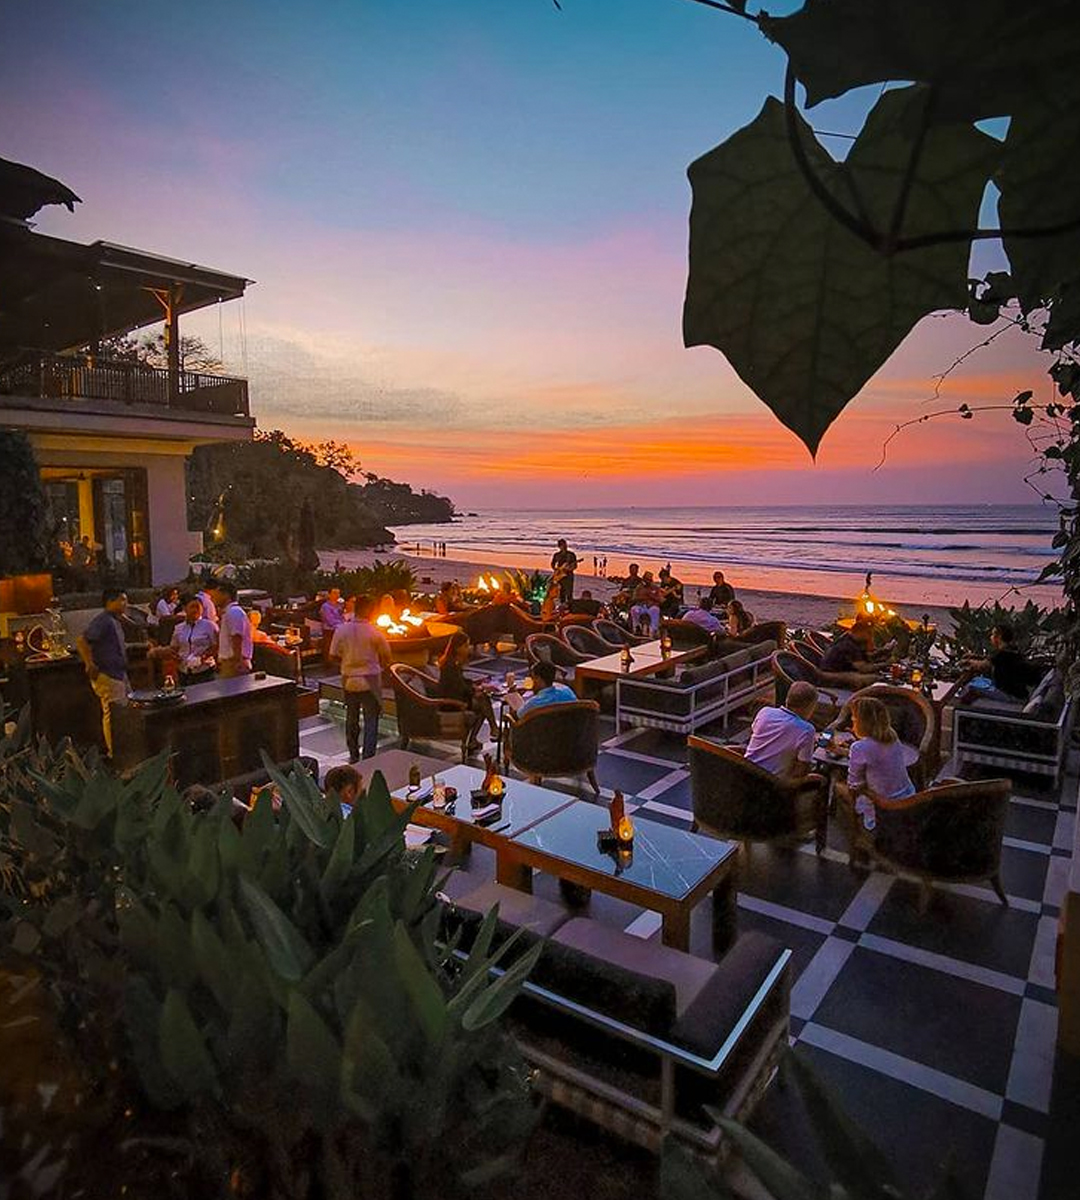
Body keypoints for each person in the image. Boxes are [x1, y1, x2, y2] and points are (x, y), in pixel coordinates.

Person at [838, 695, 915, 832]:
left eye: (854, 719)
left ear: (862, 722)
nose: (852, 722)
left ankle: (854, 835)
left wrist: (857, 746)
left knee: (837, 784)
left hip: (882, 807)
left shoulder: (860, 748)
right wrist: (839, 749)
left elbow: (853, 786)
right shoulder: (892, 737)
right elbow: (874, 754)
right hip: (906, 801)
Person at [330, 595, 391, 762]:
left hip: (349, 679)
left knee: (352, 718)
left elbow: (333, 654)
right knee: (371, 720)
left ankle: (353, 754)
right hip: (370, 679)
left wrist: (346, 663)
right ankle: (369, 756)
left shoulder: (342, 629)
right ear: (370, 611)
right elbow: (387, 655)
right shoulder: (375, 631)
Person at [76, 588, 129, 756]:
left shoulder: (115, 620)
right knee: (113, 714)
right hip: (108, 674)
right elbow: (82, 640)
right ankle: (115, 752)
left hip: (118, 673)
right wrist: (89, 663)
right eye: (122, 600)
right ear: (110, 601)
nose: (125, 604)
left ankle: (121, 748)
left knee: (122, 713)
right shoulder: (103, 620)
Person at [434, 637, 498, 754]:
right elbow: (458, 687)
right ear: (457, 648)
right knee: (483, 701)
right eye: (465, 646)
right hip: (451, 702)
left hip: (457, 696)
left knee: (483, 701)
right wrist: (475, 690)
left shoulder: (454, 661)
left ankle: (477, 737)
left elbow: (461, 682)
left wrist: (476, 687)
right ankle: (492, 729)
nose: (468, 648)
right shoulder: (450, 665)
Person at [744, 681, 819, 781]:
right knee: (821, 778)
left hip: (746, 772)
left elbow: (755, 736)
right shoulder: (807, 730)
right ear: (810, 706)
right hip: (771, 783)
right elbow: (801, 772)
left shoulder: (764, 712)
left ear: (787, 699)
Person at [964, 622, 1042, 701]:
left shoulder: (1002, 654)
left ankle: (960, 710)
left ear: (999, 637)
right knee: (977, 681)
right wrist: (974, 656)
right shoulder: (1012, 650)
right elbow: (992, 660)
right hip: (1018, 694)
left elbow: (982, 665)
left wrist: (966, 661)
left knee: (971, 689)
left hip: (1009, 696)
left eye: (992, 634)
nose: (990, 637)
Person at [819, 617, 885, 687]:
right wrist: (885, 664)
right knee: (872, 678)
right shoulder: (849, 645)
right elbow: (864, 668)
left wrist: (881, 652)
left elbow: (864, 657)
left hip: (834, 672)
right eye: (868, 633)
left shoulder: (848, 638)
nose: (870, 636)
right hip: (832, 676)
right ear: (860, 632)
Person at [169, 595, 218, 683]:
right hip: (184, 671)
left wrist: (202, 658)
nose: (195, 610)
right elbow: (174, 648)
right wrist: (176, 657)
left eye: (198, 607)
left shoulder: (209, 626)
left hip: (204, 671)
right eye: (192, 607)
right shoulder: (179, 628)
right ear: (185, 608)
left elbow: (216, 646)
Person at [211, 579, 253, 678]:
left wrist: (236, 661)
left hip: (233, 664)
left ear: (226, 595)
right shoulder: (228, 613)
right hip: (228, 663)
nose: (213, 598)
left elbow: (237, 637)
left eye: (217, 594)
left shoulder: (234, 612)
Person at [630, 571, 663, 635]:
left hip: (651, 606)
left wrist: (651, 596)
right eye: (646, 579)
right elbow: (633, 598)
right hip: (641, 606)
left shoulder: (655, 588)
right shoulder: (639, 587)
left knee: (655, 610)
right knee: (634, 609)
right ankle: (637, 627)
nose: (648, 581)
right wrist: (642, 597)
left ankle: (653, 629)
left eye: (649, 579)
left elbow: (661, 600)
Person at [551, 538, 578, 605]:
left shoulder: (571, 554)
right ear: (559, 546)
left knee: (569, 592)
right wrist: (556, 569)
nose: (565, 546)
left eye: (565, 545)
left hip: (569, 575)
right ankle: (562, 606)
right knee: (561, 592)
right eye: (562, 545)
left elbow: (575, 565)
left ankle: (570, 606)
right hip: (560, 575)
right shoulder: (556, 555)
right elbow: (553, 564)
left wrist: (570, 568)